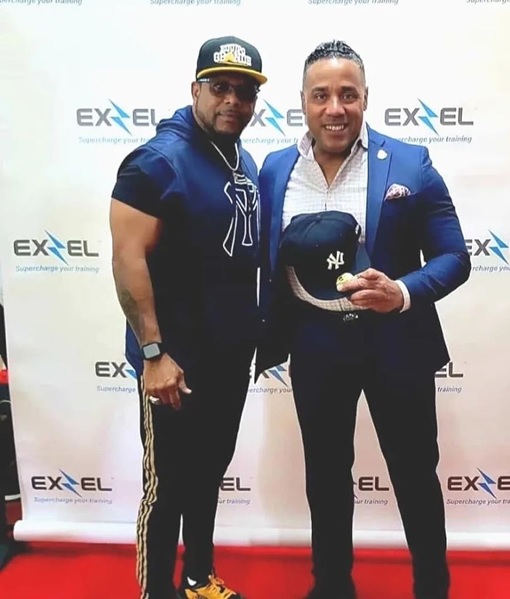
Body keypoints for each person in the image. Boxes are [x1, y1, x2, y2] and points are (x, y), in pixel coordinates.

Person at [257, 40, 471, 599]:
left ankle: (432, 587)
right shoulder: (276, 169)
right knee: (326, 476)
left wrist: (401, 292)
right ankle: (331, 586)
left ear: (366, 98)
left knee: (414, 473)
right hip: (314, 346)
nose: (335, 108)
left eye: (347, 95)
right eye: (321, 95)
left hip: (396, 343)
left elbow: (454, 257)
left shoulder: (410, 163)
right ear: (302, 102)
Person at [109, 36, 266, 599]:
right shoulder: (157, 161)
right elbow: (127, 260)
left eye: (244, 92)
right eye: (220, 87)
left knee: (207, 475)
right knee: (168, 487)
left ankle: (199, 579)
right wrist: (154, 353)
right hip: (174, 363)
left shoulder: (240, 158)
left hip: (229, 354)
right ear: (195, 89)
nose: (232, 101)